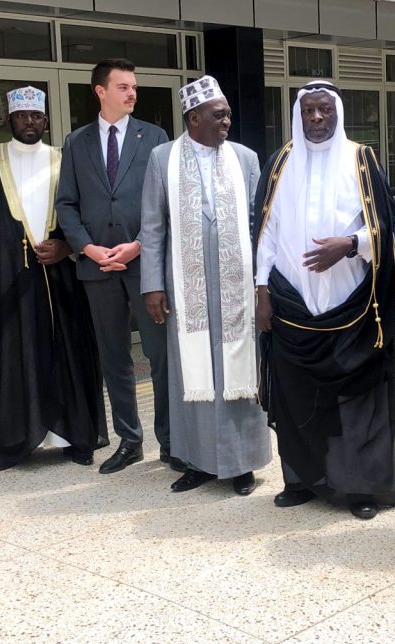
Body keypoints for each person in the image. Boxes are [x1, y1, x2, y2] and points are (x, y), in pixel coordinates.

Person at [254, 81, 395, 520]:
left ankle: (359, 486)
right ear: (299, 114)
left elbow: (385, 224)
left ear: (337, 112)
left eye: (325, 110)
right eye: (309, 111)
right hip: (290, 302)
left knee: (357, 396)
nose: (317, 118)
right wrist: (261, 291)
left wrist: (349, 244)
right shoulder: (281, 163)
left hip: (353, 304)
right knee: (298, 395)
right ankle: (302, 479)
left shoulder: (361, 159)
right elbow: (264, 233)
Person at [0, 86, 105, 472]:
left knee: (68, 353)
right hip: (8, 282)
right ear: (9, 119)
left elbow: (88, 213)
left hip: (62, 280)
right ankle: (17, 440)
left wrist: (66, 247)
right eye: (22, 116)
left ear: (45, 119)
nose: (29, 123)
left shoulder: (65, 159)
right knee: (14, 356)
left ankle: (76, 437)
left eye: (36, 117)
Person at [139, 76, 271, 494]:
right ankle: (196, 461)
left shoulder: (246, 158)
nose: (227, 121)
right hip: (187, 284)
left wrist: (264, 284)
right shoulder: (163, 158)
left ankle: (242, 463)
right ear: (193, 118)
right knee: (191, 372)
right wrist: (152, 286)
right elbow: (152, 226)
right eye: (219, 115)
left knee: (239, 366)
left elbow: (261, 225)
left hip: (238, 282)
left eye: (228, 114)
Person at [55, 58, 179, 475]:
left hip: (145, 267)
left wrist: (138, 246)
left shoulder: (156, 137)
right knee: (114, 358)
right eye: (123, 86)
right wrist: (87, 248)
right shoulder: (76, 143)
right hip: (97, 268)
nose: (132, 93)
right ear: (100, 91)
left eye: (134, 87)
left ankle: (171, 441)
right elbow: (66, 205)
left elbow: (166, 202)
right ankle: (130, 440)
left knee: (159, 357)